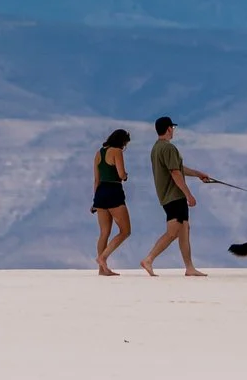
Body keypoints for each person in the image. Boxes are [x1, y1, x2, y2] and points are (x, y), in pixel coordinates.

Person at [137, 115, 214, 277]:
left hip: (167, 196)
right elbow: (175, 173)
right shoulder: (169, 148)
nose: (173, 131)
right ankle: (149, 259)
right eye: (172, 128)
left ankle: (190, 267)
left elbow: (178, 167)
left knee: (184, 229)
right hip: (174, 196)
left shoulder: (157, 148)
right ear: (169, 129)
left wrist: (198, 174)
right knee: (173, 232)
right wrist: (189, 195)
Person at [90, 128, 132, 276]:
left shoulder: (98, 153)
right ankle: (103, 257)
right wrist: (125, 176)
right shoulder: (116, 151)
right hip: (114, 191)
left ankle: (102, 269)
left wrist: (95, 200)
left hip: (100, 193)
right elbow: (121, 174)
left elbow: (96, 179)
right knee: (125, 230)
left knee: (104, 233)